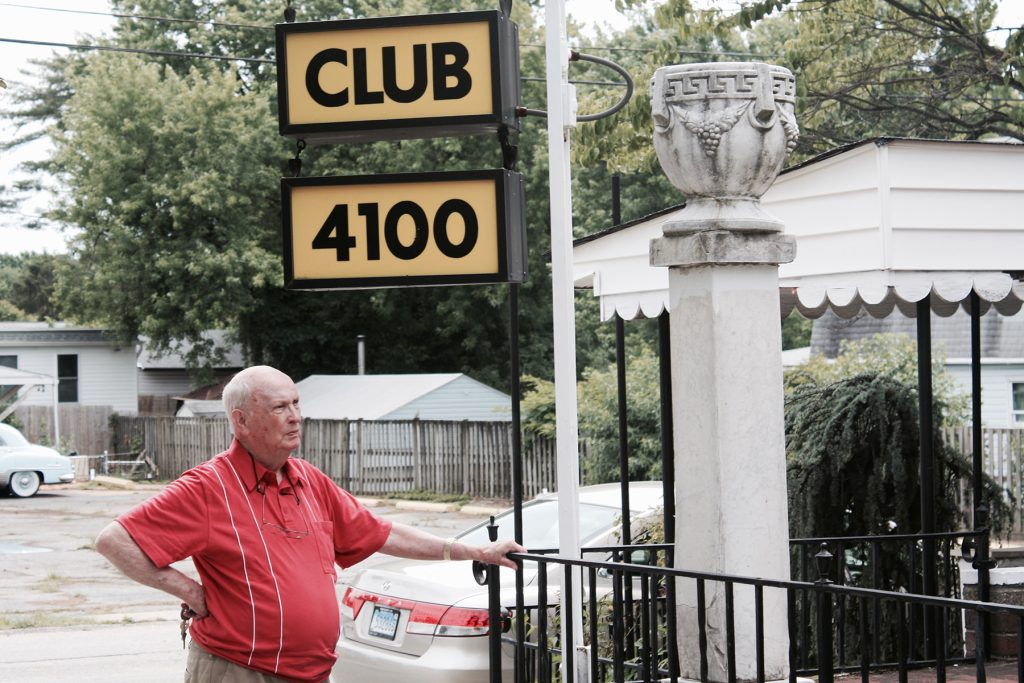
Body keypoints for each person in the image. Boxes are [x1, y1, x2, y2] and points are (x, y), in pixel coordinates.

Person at [95, 365, 524, 683]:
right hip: (238, 671)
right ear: (241, 421)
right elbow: (115, 540)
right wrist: (190, 591)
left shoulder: (307, 480)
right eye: (280, 407)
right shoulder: (211, 487)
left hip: (311, 673)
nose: (295, 415)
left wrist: (473, 551)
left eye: (297, 403)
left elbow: (381, 532)